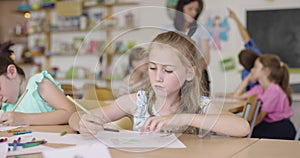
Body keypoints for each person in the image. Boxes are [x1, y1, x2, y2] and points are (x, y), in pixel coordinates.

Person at [68, 31, 250, 137]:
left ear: (189, 73)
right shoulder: (137, 102)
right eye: (153, 68)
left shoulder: (199, 106)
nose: (158, 77)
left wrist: (183, 118)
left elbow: (243, 128)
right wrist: (82, 123)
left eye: (168, 70)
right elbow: (75, 118)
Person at [232, 54, 296, 140]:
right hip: (268, 124)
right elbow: (236, 96)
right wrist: (246, 80)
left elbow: (260, 117)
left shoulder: (274, 91)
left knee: (246, 135)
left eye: (255, 67)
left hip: (281, 128)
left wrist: (244, 129)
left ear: (266, 71)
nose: (251, 70)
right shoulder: (259, 89)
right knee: (242, 133)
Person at [0, 55, 75, 126]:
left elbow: (70, 113)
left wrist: (24, 119)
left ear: (12, 72)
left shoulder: (39, 85)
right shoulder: (7, 106)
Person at [164, 0, 211, 97]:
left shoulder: (201, 30)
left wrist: (193, 74)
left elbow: (206, 57)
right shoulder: (168, 30)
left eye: (196, 10)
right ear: (181, 9)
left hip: (198, 76)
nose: (194, 13)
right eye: (190, 9)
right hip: (174, 76)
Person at [228, 8, 262, 92]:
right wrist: (235, 18)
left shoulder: (246, 74)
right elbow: (246, 37)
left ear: (242, 64)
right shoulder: (260, 58)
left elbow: (245, 93)